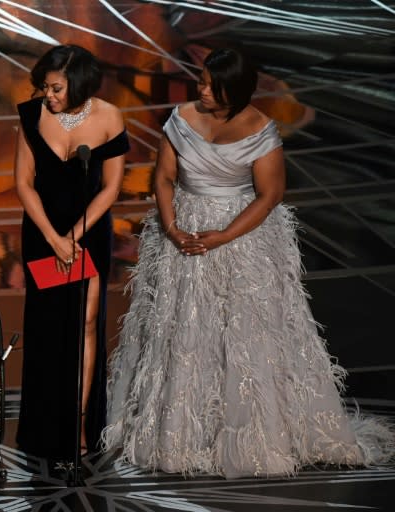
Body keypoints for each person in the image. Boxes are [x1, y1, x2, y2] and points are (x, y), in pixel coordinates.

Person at [102, 48, 395, 478]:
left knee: (243, 334)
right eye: (200, 81)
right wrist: (172, 227)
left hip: (242, 241)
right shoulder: (180, 118)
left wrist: (223, 236)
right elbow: (163, 179)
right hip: (183, 237)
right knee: (183, 330)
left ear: (232, 91)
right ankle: (182, 432)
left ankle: (249, 435)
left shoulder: (261, 129)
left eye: (208, 84)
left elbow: (270, 195)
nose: (199, 89)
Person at [13, 44, 130, 461]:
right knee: (47, 329)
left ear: (78, 83)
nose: (49, 95)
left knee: (85, 323)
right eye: (45, 86)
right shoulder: (31, 116)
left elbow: (111, 187)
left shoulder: (109, 117)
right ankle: (46, 427)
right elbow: (24, 183)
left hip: (89, 232)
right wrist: (54, 237)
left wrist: (75, 235)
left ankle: (79, 423)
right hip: (44, 232)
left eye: (57, 87)